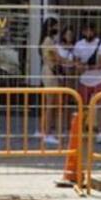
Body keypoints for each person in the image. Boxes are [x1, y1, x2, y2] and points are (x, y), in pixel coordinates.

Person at [73, 23, 101, 143]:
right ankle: (81, 131)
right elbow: (76, 63)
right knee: (82, 107)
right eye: (85, 31)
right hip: (84, 80)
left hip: (99, 80)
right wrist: (81, 67)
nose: (88, 33)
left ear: (94, 31)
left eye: (90, 31)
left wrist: (87, 67)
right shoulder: (79, 45)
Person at [38, 17, 62, 147]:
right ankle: (47, 133)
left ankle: (46, 130)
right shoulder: (48, 41)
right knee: (51, 104)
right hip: (50, 73)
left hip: (49, 72)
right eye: (56, 26)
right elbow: (56, 58)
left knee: (50, 103)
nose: (58, 29)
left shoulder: (48, 40)